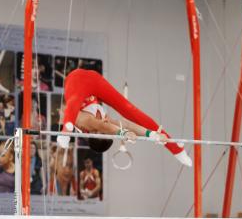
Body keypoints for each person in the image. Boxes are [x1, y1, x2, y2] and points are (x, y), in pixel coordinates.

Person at [57, 69, 191, 167]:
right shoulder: (105, 124)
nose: (106, 123)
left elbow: (102, 126)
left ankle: (65, 131)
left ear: (93, 133)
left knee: (72, 104)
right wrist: (152, 135)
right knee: (129, 110)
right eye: (109, 132)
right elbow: (127, 124)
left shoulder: (84, 123)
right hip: (94, 81)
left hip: (75, 81)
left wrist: (123, 133)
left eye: (103, 131)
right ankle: (176, 149)